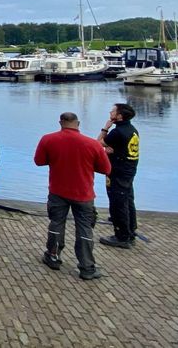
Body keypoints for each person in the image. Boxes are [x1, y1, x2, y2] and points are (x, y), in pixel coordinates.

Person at [34, 112, 111, 280]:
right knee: (84, 228)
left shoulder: (48, 139)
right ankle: (87, 267)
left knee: (56, 224)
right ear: (78, 123)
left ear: (60, 123)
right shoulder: (92, 144)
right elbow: (106, 169)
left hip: (58, 191)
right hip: (83, 193)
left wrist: (56, 159)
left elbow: (39, 161)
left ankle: (53, 256)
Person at [98, 103, 139, 248]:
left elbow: (98, 143)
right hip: (129, 170)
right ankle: (130, 230)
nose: (110, 112)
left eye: (113, 111)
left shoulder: (118, 132)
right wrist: (110, 149)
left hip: (118, 171)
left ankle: (122, 236)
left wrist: (105, 128)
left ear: (119, 116)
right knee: (128, 200)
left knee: (118, 202)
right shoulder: (132, 130)